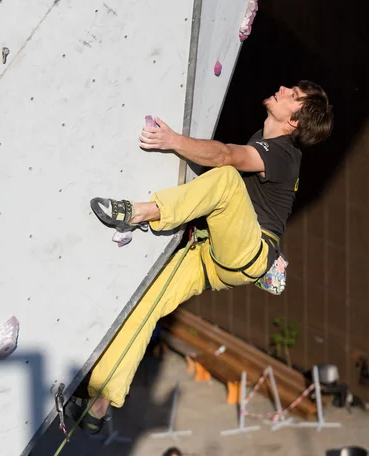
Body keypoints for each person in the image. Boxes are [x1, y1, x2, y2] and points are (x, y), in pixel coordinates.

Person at [67, 81, 333, 433]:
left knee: (224, 179)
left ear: (295, 122)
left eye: (293, 95)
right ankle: (98, 405)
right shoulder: (265, 140)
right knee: (144, 305)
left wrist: (174, 141)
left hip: (249, 251)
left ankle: (141, 213)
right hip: (214, 257)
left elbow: (224, 158)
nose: (283, 87)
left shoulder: (283, 154)